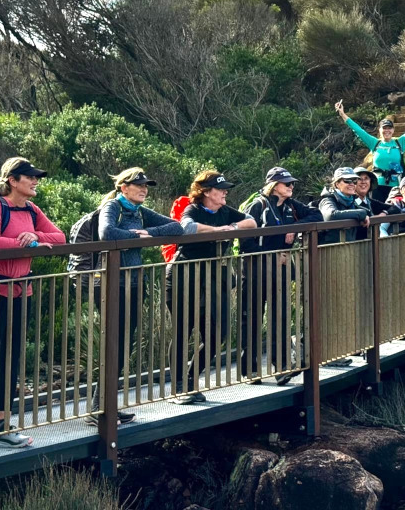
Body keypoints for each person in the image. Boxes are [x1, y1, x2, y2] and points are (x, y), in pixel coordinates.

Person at [0, 158, 65, 455]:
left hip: (22, 291)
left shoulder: (31, 209)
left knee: (11, 357)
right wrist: (29, 244)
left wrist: (35, 237)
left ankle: (2, 428)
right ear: (13, 181)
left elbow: (60, 237)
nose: (35, 182)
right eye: (30, 178)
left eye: (36, 177)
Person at [89, 167, 188, 425]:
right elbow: (107, 233)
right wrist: (137, 237)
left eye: (146, 185)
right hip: (112, 283)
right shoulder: (114, 207)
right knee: (115, 342)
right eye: (138, 185)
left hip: (134, 283)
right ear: (124, 188)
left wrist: (150, 234)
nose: (144, 189)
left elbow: (177, 228)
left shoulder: (140, 212)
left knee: (124, 343)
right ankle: (99, 409)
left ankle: (105, 405)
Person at [170, 171, 256, 404]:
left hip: (214, 278)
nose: (225, 193)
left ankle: (190, 378)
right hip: (184, 274)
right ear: (206, 192)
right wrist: (217, 231)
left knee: (220, 331)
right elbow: (186, 227)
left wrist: (233, 227)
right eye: (220, 190)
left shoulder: (226, 211)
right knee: (183, 330)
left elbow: (252, 221)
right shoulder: (194, 209)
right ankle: (179, 388)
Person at [238, 167, 322, 384]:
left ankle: (282, 366)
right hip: (255, 270)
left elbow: (317, 215)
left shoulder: (291, 206)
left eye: (292, 183)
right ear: (274, 186)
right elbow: (245, 243)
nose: (291, 187)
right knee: (253, 317)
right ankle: (250, 369)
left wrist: (293, 227)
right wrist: (271, 255)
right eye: (287, 184)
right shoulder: (257, 205)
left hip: (281, 270)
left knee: (281, 316)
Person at [336, 99, 405, 202]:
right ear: (380, 130)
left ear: (393, 130)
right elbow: (358, 130)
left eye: (389, 128)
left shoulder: (400, 142)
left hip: (396, 186)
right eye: (384, 128)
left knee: (394, 212)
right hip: (377, 186)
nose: (387, 130)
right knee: (377, 212)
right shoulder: (374, 143)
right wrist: (342, 114)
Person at [318, 167, 371, 245]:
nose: (352, 184)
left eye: (354, 181)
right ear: (337, 184)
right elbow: (330, 216)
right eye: (347, 181)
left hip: (348, 248)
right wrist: (362, 213)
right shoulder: (328, 199)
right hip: (329, 250)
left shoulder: (351, 201)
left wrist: (366, 215)